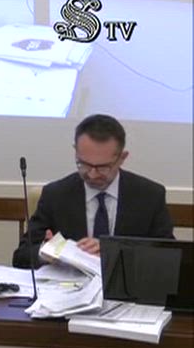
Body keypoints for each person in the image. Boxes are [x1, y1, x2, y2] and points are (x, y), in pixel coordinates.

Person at [12, 114, 174, 268]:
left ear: (122, 158)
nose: (92, 174)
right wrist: (47, 252)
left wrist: (113, 252)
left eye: (102, 167)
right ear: (76, 151)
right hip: (69, 285)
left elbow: (169, 257)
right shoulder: (55, 195)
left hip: (127, 286)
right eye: (84, 164)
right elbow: (21, 257)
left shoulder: (150, 196)